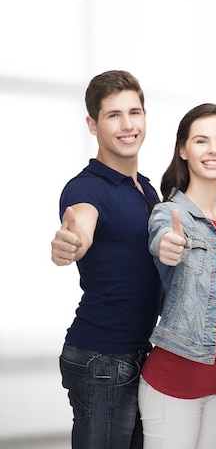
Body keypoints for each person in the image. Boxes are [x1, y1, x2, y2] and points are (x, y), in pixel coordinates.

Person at [50, 70, 162, 448]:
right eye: (113, 115)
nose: (127, 125)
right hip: (102, 359)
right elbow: (80, 227)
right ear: (92, 124)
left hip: (135, 354)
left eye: (135, 112)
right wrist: (71, 243)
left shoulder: (146, 188)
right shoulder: (86, 188)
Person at [138, 103, 216, 449]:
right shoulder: (170, 213)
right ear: (183, 149)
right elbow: (162, 237)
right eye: (201, 141)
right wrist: (167, 246)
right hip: (173, 381)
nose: (213, 150)